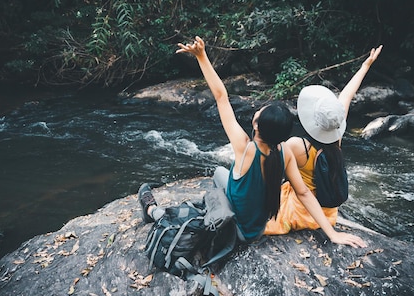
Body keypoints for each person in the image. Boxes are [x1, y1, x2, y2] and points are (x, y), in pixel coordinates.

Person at [138, 36, 366, 248]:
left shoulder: (244, 147)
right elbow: (305, 193)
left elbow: (221, 97)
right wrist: (332, 234)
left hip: (236, 231)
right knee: (223, 179)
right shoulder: (285, 152)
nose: (257, 110)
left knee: (218, 173)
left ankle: (152, 211)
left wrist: (201, 57)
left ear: (257, 125)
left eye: (260, 111)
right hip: (257, 231)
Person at [265, 45, 383, 235]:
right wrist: (366, 65)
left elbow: (268, 165)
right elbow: (347, 95)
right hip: (327, 214)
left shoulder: (297, 145)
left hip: (301, 213)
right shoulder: (336, 137)